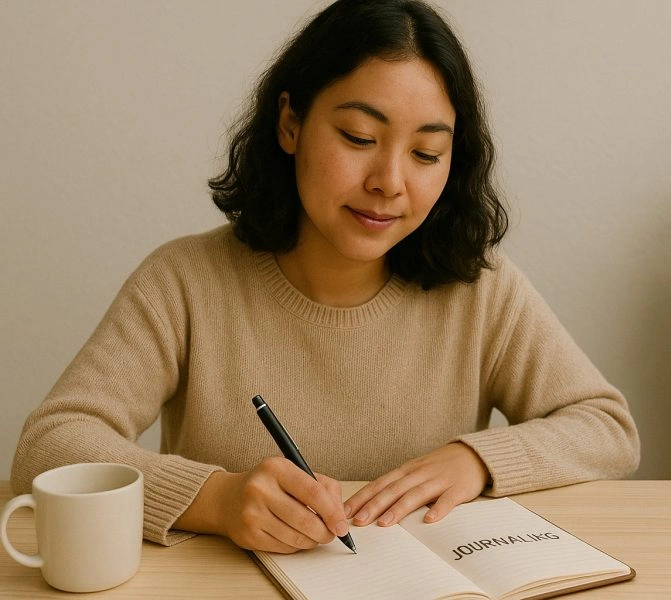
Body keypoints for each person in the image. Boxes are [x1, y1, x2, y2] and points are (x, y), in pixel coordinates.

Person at [11, 0, 639, 554]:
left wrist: (477, 459)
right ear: (291, 123)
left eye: (426, 153)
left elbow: (606, 428)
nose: (390, 182)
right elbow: (51, 443)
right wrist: (220, 501)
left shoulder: (480, 288)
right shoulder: (185, 282)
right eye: (359, 136)